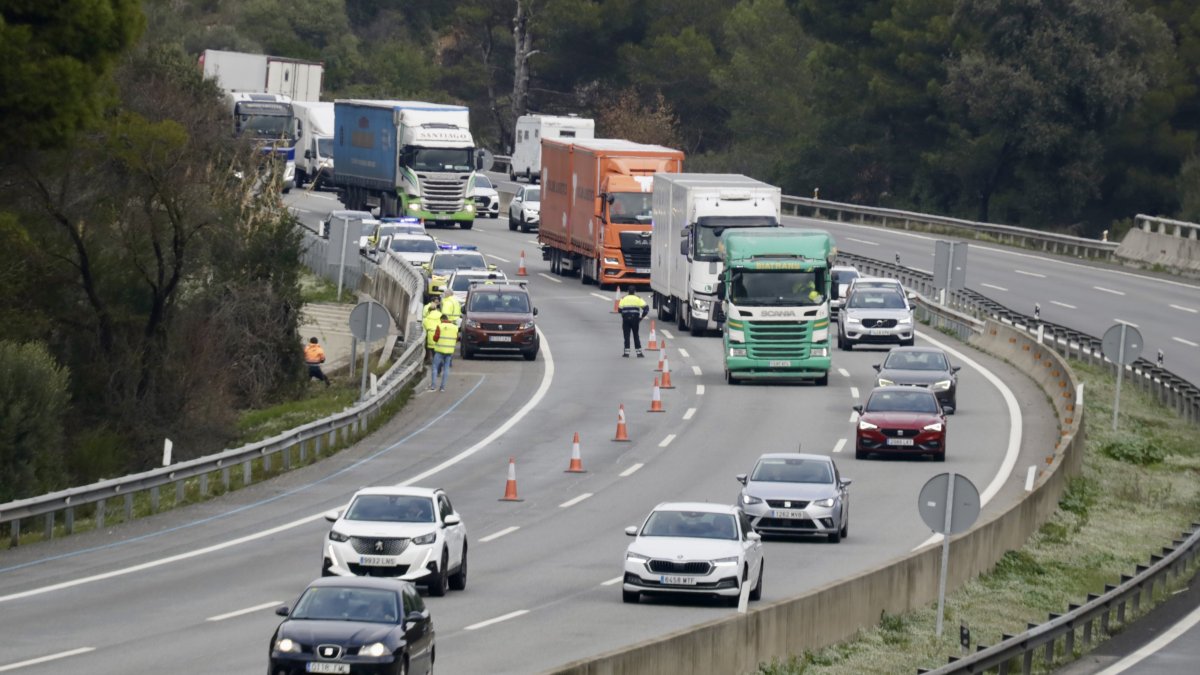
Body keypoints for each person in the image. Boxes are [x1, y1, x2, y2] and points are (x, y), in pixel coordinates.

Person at [430, 313, 458, 391]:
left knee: (435, 367)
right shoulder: (455, 327)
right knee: (446, 369)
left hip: (439, 350)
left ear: (442, 319)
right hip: (449, 351)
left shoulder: (440, 326)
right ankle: (442, 387)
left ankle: (433, 385)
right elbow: (456, 339)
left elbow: (435, 338)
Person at [617, 286, 649, 357]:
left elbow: (619, 310)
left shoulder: (623, 298)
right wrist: (641, 317)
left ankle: (626, 353)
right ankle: (639, 353)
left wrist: (625, 313)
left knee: (626, 336)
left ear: (628, 291)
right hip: (635, 319)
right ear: (635, 291)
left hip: (626, 319)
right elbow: (646, 309)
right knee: (636, 335)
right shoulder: (638, 298)